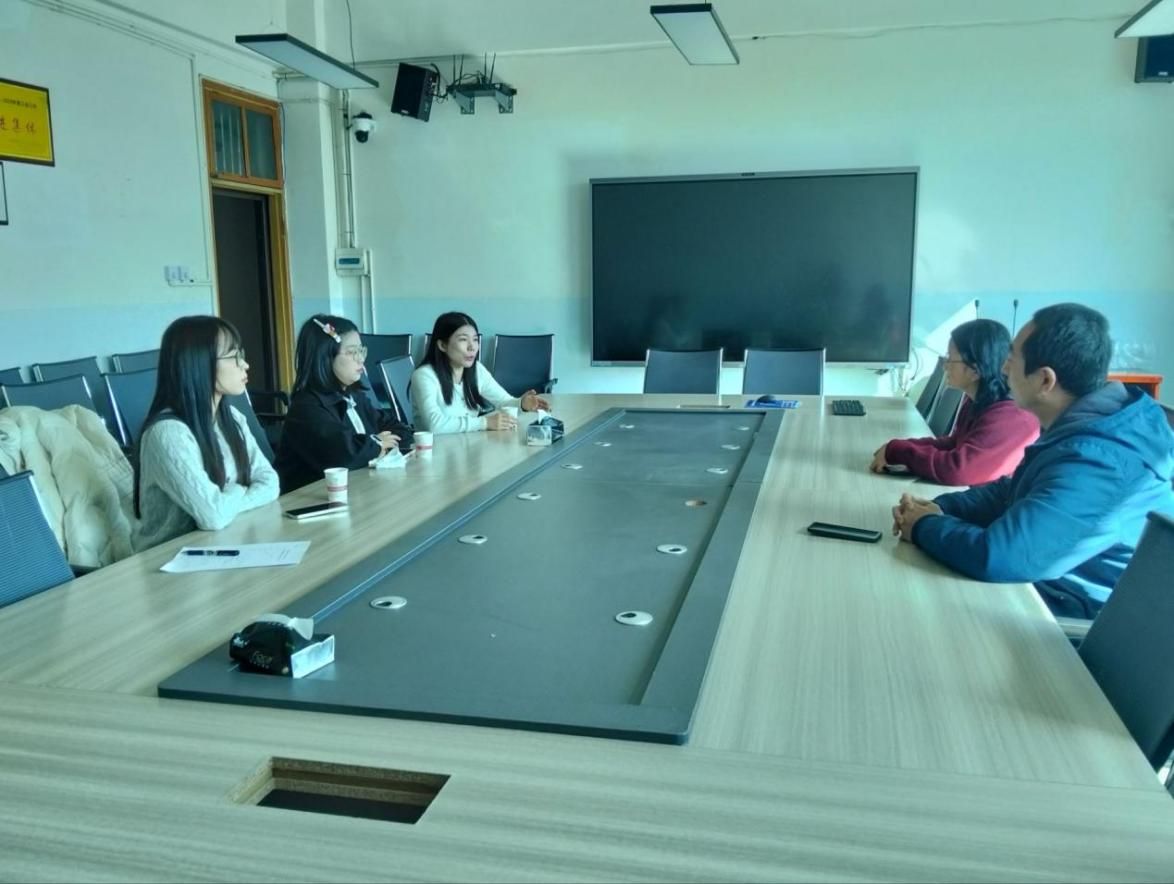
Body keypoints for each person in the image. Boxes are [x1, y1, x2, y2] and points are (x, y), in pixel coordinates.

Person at [892, 304, 1174, 619]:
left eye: (1011, 359)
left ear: (1044, 381)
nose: (1002, 369)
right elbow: (1011, 491)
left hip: (1069, 619)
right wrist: (941, 507)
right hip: (1041, 588)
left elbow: (1001, 556)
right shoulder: (1083, 427)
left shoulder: (1101, 462)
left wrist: (923, 526)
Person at [134, 316, 279, 551]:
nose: (245, 365)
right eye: (234, 357)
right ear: (199, 364)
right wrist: (241, 489)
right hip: (168, 559)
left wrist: (227, 500)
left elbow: (270, 483)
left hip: (227, 542)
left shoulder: (232, 418)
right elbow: (213, 515)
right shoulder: (168, 434)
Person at [871, 319, 1038, 485]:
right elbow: (954, 443)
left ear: (974, 370)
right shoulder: (978, 400)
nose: (945, 366)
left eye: (950, 358)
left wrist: (899, 451)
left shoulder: (1011, 417)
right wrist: (898, 447)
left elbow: (959, 470)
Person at [276, 315, 414, 492]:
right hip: (310, 499)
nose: (360, 359)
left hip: (357, 490)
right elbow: (345, 455)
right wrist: (377, 443)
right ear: (325, 357)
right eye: (351, 352)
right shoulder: (306, 407)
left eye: (361, 350)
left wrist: (376, 445)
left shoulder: (353, 396)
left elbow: (397, 429)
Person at [411, 312, 551, 434]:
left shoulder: (476, 369)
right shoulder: (424, 376)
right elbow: (434, 425)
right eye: (463, 339)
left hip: (468, 445)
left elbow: (503, 401)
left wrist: (521, 404)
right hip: (435, 451)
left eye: (475, 339)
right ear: (442, 345)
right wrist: (485, 422)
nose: (472, 347)